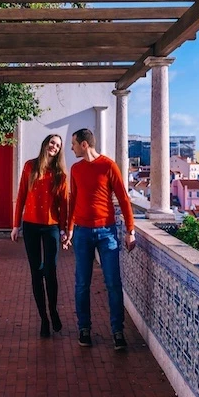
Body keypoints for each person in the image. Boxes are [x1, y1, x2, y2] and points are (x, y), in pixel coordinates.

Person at [63, 128, 135, 350]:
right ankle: (84, 328)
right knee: (82, 283)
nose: (72, 148)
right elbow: (73, 199)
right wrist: (69, 229)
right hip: (82, 233)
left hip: (107, 232)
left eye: (74, 144)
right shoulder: (75, 169)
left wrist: (130, 230)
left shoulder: (108, 166)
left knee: (113, 283)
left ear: (84, 144)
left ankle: (118, 331)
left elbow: (123, 198)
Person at [11, 134, 68, 338]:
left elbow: (64, 204)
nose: (54, 147)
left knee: (50, 271)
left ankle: (53, 310)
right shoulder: (30, 166)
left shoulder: (60, 174)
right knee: (36, 272)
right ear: (45, 144)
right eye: (52, 143)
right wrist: (16, 225)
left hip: (51, 226)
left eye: (58, 145)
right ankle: (43, 318)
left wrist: (64, 230)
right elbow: (21, 196)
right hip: (31, 226)